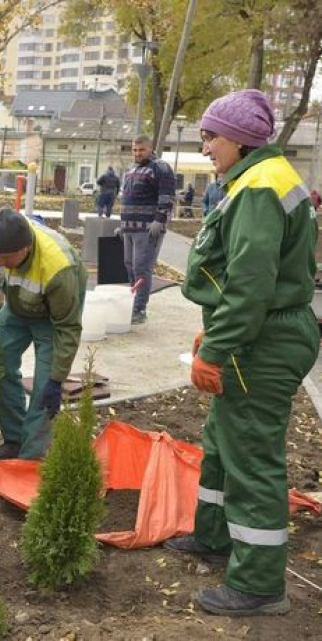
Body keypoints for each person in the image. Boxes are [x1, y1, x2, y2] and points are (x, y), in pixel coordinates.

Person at [164, 89, 318, 617]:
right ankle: (214, 537)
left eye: (210, 135)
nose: (204, 145)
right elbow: (244, 279)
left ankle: (258, 584)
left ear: (240, 139)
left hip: (265, 340)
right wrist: (217, 335)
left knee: (251, 454)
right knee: (222, 440)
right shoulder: (259, 179)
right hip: (259, 332)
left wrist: (220, 344)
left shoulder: (257, 188)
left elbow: (251, 286)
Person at [0, 209, 86, 463]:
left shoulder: (57, 267)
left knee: (45, 388)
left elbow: (68, 327)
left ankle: (30, 458)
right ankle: (14, 440)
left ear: (25, 248)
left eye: (5, 258)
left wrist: (57, 379)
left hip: (52, 319)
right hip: (16, 307)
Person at [118, 135, 176, 324]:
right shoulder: (131, 169)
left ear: (151, 149)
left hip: (147, 228)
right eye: (134, 150)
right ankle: (132, 304)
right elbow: (127, 197)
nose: (137, 153)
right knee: (129, 266)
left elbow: (166, 196)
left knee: (141, 267)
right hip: (129, 227)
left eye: (141, 150)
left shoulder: (160, 168)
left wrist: (160, 219)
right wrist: (123, 224)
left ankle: (139, 309)